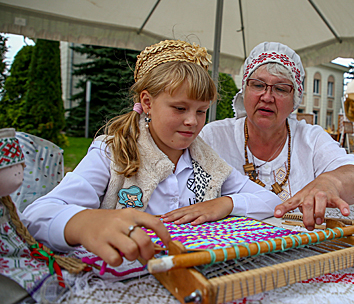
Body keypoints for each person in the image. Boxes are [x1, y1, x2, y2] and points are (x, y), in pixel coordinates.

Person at [21, 40, 282, 267]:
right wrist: (84, 223)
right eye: (180, 108)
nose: (193, 121)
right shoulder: (112, 153)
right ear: (147, 102)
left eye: (201, 111)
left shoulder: (208, 162)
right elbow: (36, 216)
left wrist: (225, 203)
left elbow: (270, 202)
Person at [200, 42, 354, 231]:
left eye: (281, 89)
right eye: (258, 85)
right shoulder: (213, 136)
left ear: (295, 100)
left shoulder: (310, 139)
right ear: (244, 91)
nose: (267, 97)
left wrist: (330, 182)